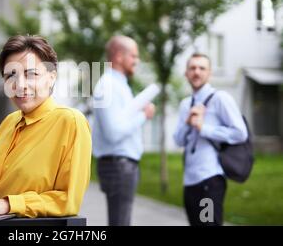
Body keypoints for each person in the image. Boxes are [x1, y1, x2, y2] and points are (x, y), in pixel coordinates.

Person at [0, 35, 92, 219]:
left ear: (51, 78)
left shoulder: (70, 121)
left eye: (31, 74)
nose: (20, 85)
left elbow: (67, 199)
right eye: (11, 75)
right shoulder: (9, 122)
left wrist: (7, 204)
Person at [173, 53, 248, 226]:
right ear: (186, 73)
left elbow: (240, 133)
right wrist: (188, 123)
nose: (196, 72)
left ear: (210, 73)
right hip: (190, 181)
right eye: (192, 68)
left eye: (202, 68)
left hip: (210, 180)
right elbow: (178, 141)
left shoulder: (220, 99)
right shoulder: (186, 104)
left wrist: (203, 128)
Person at [91, 35, 155, 226]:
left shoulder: (118, 84)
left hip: (121, 165)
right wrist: (144, 116)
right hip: (118, 166)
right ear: (119, 56)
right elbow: (114, 133)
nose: (137, 61)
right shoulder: (108, 86)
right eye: (134, 56)